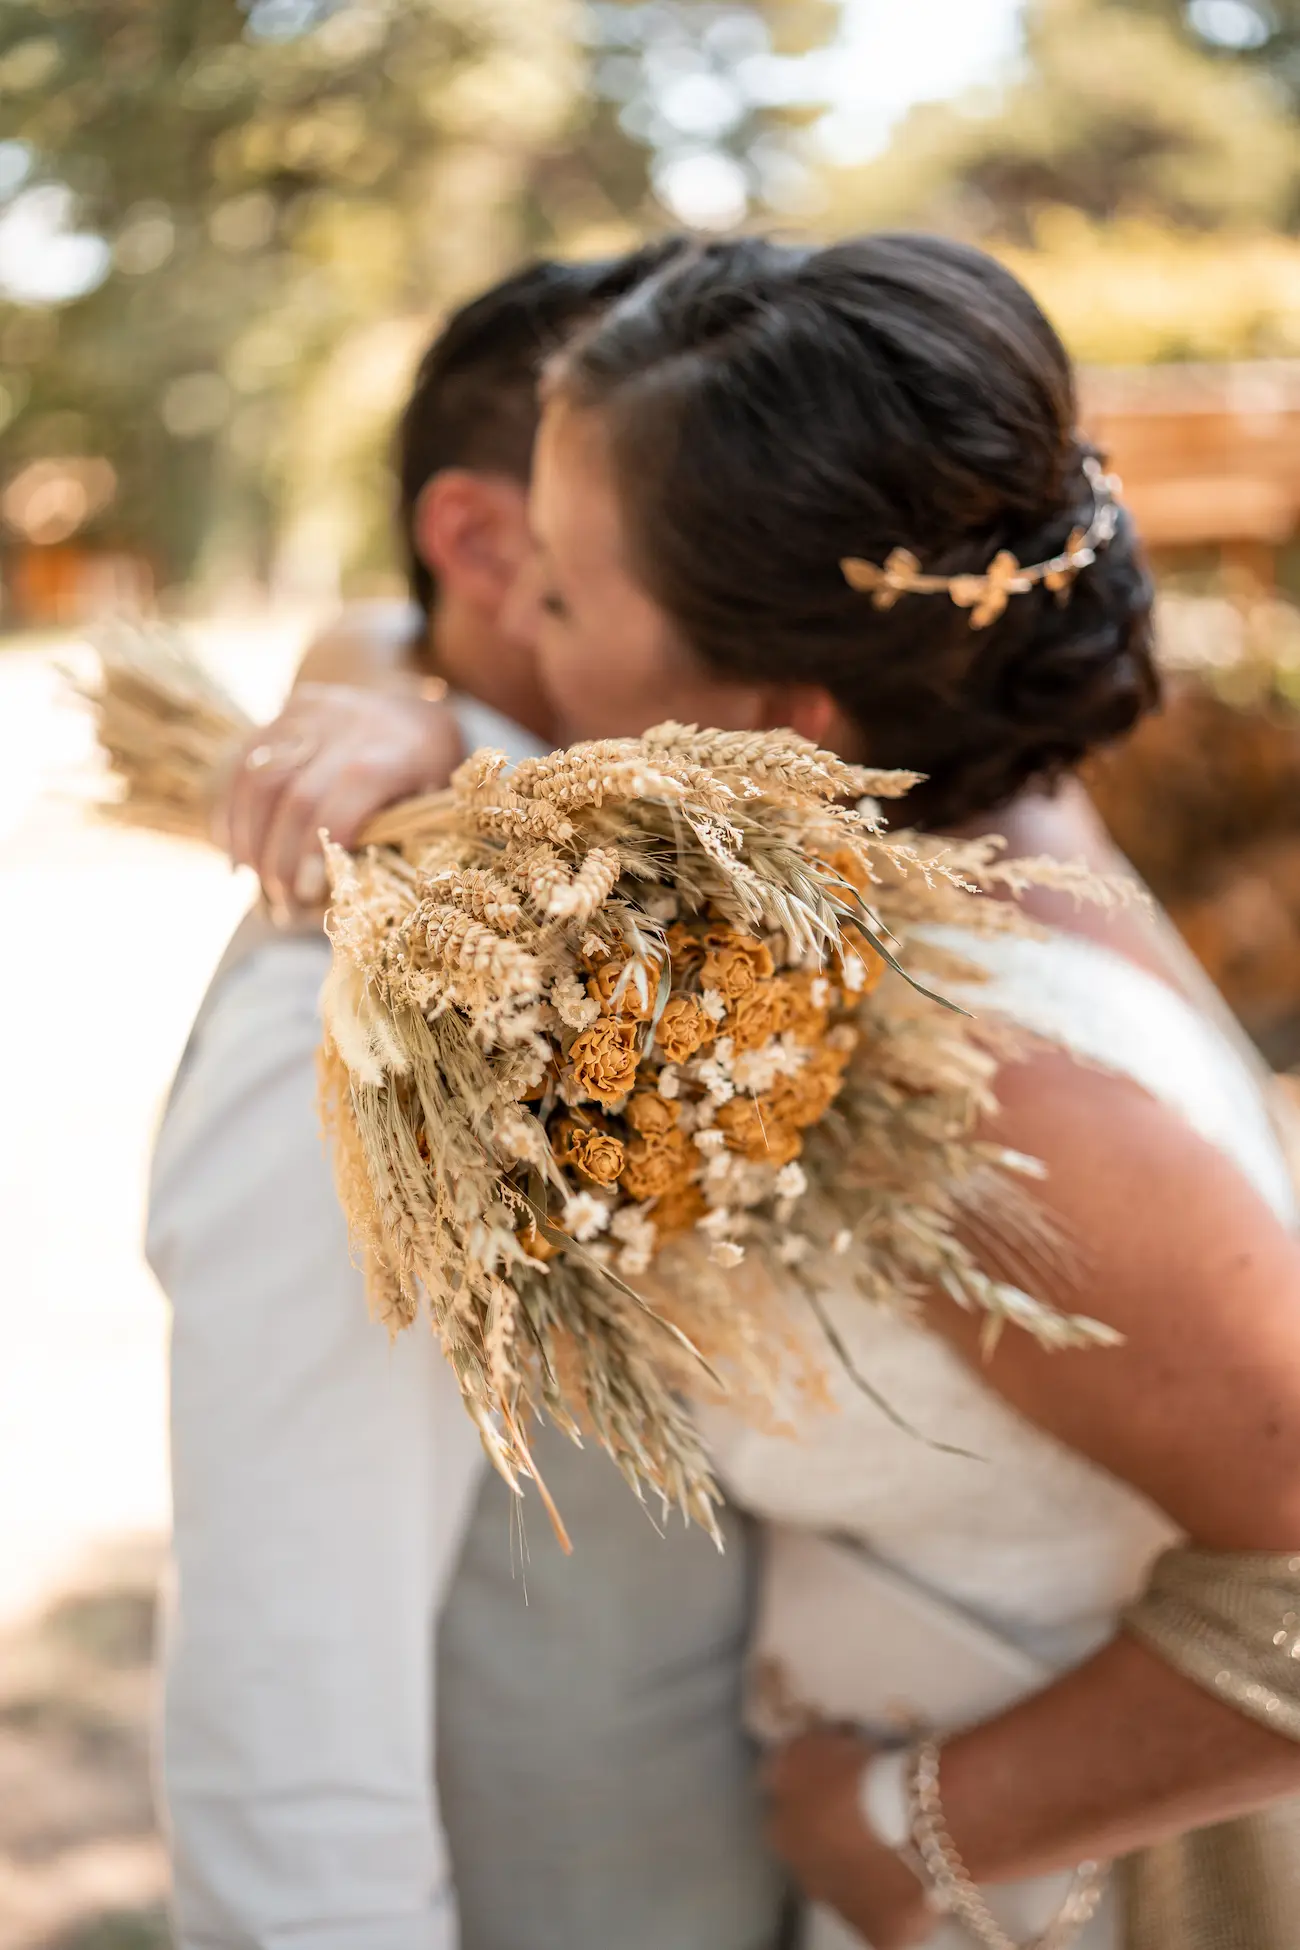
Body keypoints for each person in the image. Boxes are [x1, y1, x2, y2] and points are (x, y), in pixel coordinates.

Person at [514, 231, 1300, 1945]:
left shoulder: (1005, 1102)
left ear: (787, 716)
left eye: (562, 592)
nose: (512, 632)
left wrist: (907, 1824)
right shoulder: (984, 835)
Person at [148, 245, 789, 1950]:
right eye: (719, 514)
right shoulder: (356, 1033)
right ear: (496, 547)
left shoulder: (662, 878)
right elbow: (288, 1737)